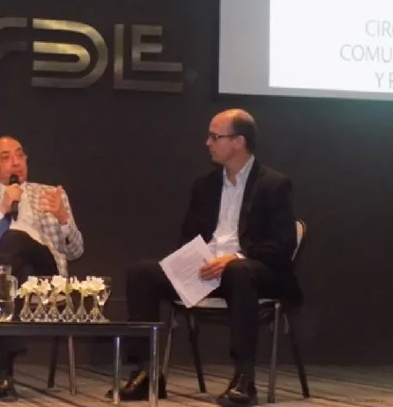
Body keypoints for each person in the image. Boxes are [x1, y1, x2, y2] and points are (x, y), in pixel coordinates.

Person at [112, 109, 302, 407]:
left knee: (238, 271)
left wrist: (234, 257)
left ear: (238, 141)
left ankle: (244, 379)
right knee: (142, 273)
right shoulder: (205, 185)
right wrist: (189, 262)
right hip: (206, 270)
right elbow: (188, 238)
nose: (207, 143)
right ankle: (146, 372)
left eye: (215, 136)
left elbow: (281, 244)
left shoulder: (274, 184)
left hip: (252, 272)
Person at [0, 136, 84, 401]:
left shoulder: (51, 195)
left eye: (20, 155)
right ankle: (4, 373)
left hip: (46, 273)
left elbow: (76, 251)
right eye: (6, 157)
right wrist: (1, 208)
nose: (16, 162)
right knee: (19, 275)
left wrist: (63, 219)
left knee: (16, 237)